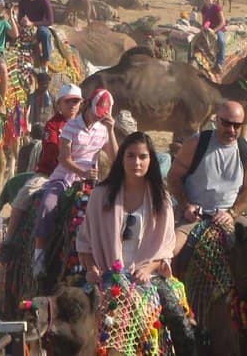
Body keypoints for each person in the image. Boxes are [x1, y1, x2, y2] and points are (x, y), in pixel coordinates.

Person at [76, 131, 196, 352]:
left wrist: (147, 268)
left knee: (182, 325)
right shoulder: (100, 195)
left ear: (151, 160)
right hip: (105, 276)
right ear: (121, 159)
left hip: (147, 279)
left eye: (142, 156)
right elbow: (85, 243)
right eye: (130, 156)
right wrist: (92, 269)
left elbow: (165, 249)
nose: (136, 162)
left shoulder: (162, 200)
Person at [15, 88, 118, 273]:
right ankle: (38, 258)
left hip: (92, 182)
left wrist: (111, 131)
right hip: (65, 177)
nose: (98, 117)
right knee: (47, 205)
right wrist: (82, 172)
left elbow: (115, 158)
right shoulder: (70, 126)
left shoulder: (102, 130)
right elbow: (64, 158)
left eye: (75, 101)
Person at [0, 83, 84, 252]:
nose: (72, 105)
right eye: (68, 102)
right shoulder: (53, 125)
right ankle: (8, 241)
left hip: (79, 175)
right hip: (50, 174)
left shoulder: (85, 125)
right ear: (59, 104)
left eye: (76, 101)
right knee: (24, 194)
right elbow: (53, 150)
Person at [167, 100, 247, 255]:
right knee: (170, 252)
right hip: (194, 218)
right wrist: (185, 206)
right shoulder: (197, 143)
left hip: (229, 217)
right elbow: (173, 178)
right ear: (217, 120)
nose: (231, 129)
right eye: (227, 123)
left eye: (237, 125)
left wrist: (232, 213)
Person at [16, 0, 54, 70]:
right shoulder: (23, 0)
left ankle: (45, 61)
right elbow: (20, 16)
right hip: (26, 26)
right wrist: (22, 20)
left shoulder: (44, 1)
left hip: (40, 26)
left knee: (45, 34)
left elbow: (50, 21)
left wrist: (33, 23)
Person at [20, 72, 53, 173]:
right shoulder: (31, 97)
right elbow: (26, 112)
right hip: (33, 131)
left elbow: (56, 112)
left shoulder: (52, 98)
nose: (45, 86)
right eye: (43, 84)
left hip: (47, 130)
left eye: (47, 84)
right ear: (39, 83)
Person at [199, 0, 227, 69]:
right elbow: (204, 21)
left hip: (218, 28)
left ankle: (220, 62)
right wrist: (203, 28)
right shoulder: (204, 9)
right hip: (209, 29)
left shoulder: (216, 7)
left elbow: (223, 22)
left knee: (221, 41)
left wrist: (214, 31)